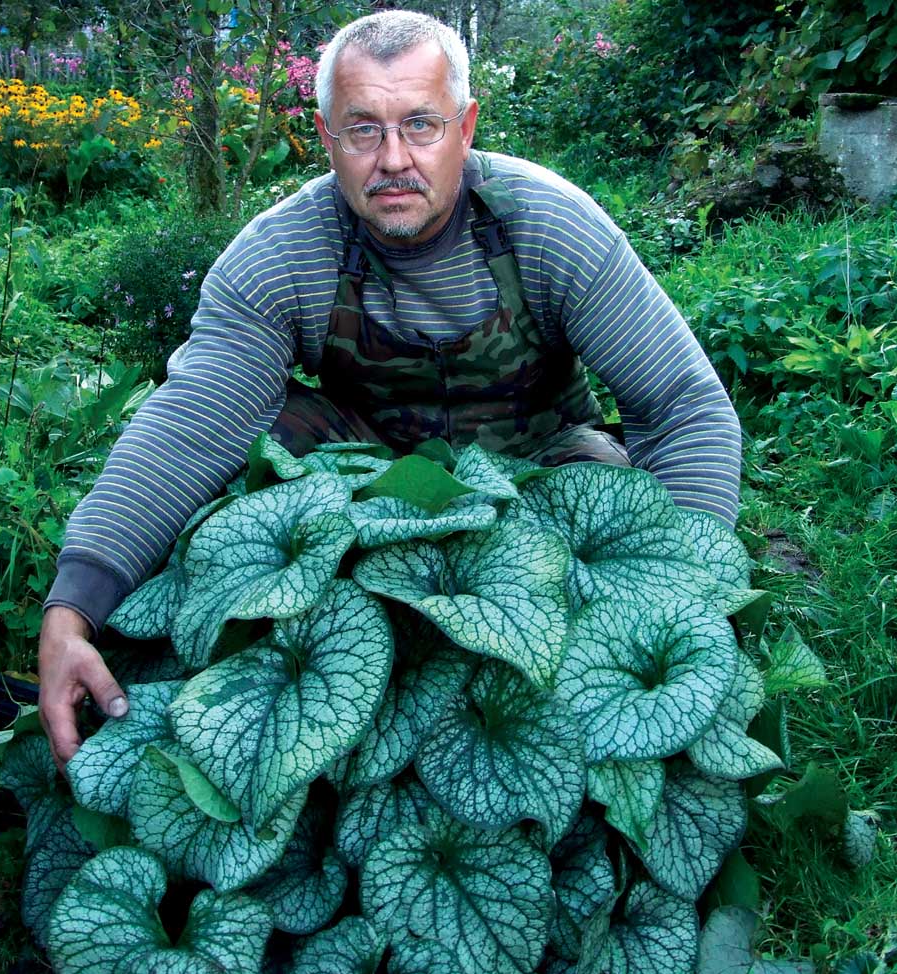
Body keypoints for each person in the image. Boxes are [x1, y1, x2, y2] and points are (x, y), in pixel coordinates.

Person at [38, 10, 741, 770]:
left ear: (467, 128)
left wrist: (684, 593)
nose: (394, 158)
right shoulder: (282, 254)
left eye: (422, 125)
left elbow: (682, 407)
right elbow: (193, 422)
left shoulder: (548, 225)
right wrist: (74, 605)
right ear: (326, 137)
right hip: (370, 493)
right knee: (256, 441)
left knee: (608, 475)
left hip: (540, 470)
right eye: (364, 129)